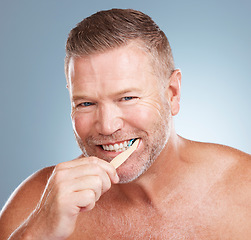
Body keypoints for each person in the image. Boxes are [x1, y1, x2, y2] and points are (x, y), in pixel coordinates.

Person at [0, 8, 250, 240]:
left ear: (172, 93)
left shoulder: (244, 189)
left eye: (127, 98)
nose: (107, 127)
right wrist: (34, 234)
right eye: (86, 103)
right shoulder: (34, 205)